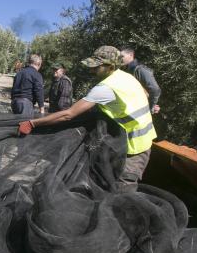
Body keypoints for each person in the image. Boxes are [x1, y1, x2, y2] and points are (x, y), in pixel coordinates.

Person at [17, 46, 157, 190]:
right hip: (144, 141)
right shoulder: (126, 77)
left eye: (96, 67)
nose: (92, 70)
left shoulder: (106, 88)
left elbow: (68, 114)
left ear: (110, 66)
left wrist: (33, 123)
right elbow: (146, 94)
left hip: (133, 149)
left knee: (122, 191)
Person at [120, 47, 161, 114]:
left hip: (140, 111)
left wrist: (151, 106)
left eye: (122, 56)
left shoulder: (140, 70)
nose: (120, 59)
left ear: (131, 55)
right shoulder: (124, 70)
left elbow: (155, 89)